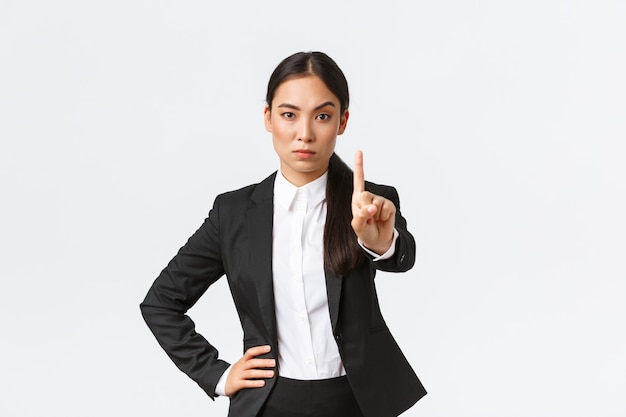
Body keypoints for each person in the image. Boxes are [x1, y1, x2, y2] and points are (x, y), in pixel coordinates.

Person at [140, 51, 427, 417]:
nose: (304, 134)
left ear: (342, 121)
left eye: (322, 116)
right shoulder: (233, 214)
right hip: (268, 405)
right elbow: (161, 302)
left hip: (354, 403)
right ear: (268, 118)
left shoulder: (369, 203)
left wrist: (379, 244)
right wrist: (217, 374)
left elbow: (404, 256)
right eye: (289, 115)